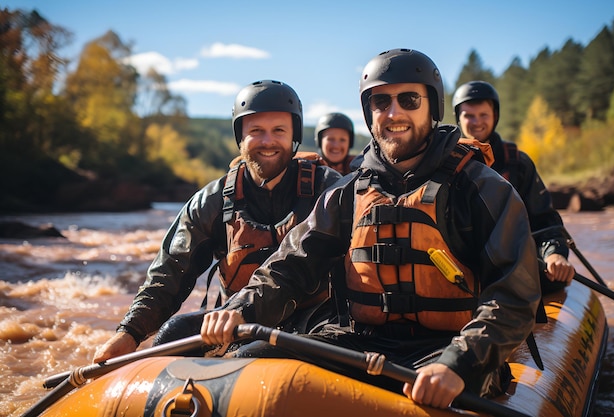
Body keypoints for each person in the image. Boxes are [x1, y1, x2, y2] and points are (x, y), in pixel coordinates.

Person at [200, 49, 541, 409]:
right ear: (369, 113)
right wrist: (241, 308)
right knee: (250, 363)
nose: (394, 113)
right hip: (359, 343)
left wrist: (459, 363)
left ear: (432, 107)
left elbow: (513, 296)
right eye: (381, 102)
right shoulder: (348, 192)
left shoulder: (482, 189)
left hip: (450, 347)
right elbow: (292, 266)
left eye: (409, 100)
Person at [93, 79, 342, 362]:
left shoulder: (328, 189)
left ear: (293, 136)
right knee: (173, 332)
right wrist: (129, 332)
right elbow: (170, 272)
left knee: (252, 354)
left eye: (278, 131)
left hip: (315, 322)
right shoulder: (211, 200)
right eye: (256, 131)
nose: (267, 141)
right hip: (236, 321)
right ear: (240, 138)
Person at [452, 80, 575, 292]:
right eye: (469, 116)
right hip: (463, 270)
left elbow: (545, 221)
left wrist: (553, 254)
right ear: (459, 119)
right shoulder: (446, 164)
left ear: (495, 116)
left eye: (483, 115)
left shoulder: (518, 163)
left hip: (514, 264)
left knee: (551, 281)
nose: (477, 122)